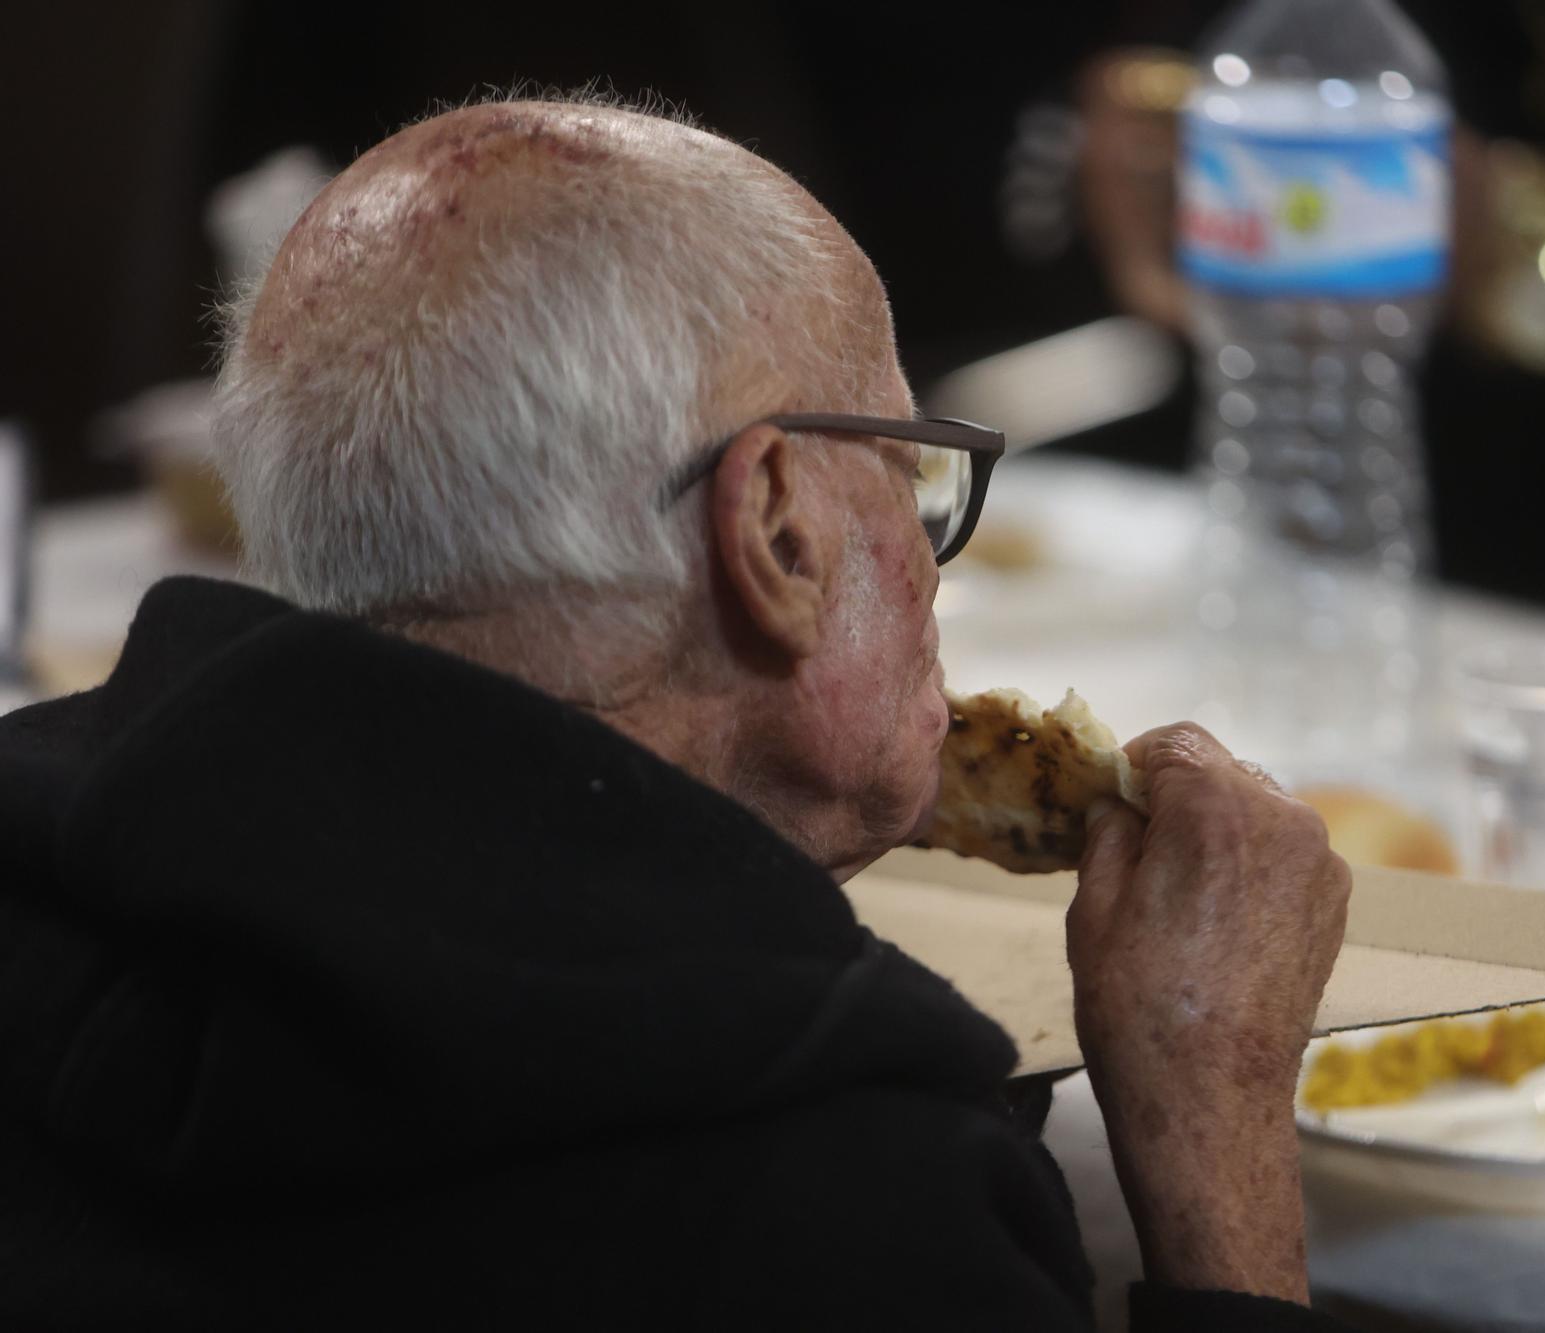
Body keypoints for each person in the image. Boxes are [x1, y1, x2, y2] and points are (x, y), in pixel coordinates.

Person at [0, 98, 1351, 1330]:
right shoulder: (855, 1205)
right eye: (912, 477)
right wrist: (1221, 1142)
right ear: (775, 529)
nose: (934, 569)